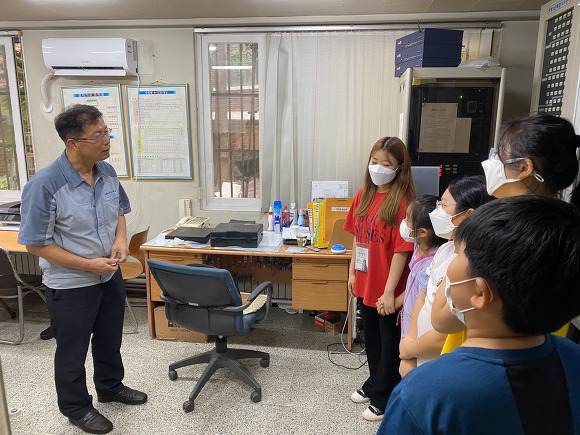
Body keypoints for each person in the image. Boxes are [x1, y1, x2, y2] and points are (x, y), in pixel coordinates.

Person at [379, 196, 580, 434]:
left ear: (480, 293)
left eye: (458, 254)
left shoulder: (424, 392)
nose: (450, 263)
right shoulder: (573, 358)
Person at [18, 104, 147, 434]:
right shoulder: (45, 184)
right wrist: (88, 264)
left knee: (109, 338)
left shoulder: (107, 171)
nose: (106, 140)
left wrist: (121, 239)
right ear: (72, 143)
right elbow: (35, 244)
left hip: (109, 274)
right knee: (72, 350)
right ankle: (76, 407)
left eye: (106, 132)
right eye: (97, 135)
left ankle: (110, 386)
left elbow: (119, 211)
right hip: (71, 283)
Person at [431, 113, 580, 339]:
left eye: (499, 156)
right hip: (544, 347)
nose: (491, 162)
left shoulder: (497, 232)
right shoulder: (567, 228)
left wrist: (464, 245)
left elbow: (441, 319)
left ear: (524, 167)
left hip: (486, 350)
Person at [344, 136, 415, 421]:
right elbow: (356, 237)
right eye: (374, 161)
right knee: (370, 338)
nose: (378, 168)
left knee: (389, 343)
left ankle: (384, 396)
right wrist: (352, 272)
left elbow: (402, 250)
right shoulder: (364, 195)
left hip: (388, 286)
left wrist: (389, 292)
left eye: (386, 164)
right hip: (365, 279)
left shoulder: (403, 202)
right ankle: (374, 382)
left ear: (399, 168)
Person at [397, 176, 492, 372]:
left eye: (444, 204)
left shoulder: (473, 266)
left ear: (468, 215)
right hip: (418, 354)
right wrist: (410, 344)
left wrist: (409, 350)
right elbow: (422, 297)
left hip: (443, 364)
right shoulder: (444, 250)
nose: (437, 210)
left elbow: (443, 334)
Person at [397, 195, 446, 376]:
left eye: (408, 219)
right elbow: (413, 285)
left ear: (423, 232)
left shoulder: (434, 261)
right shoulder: (418, 248)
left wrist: (411, 353)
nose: (403, 222)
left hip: (421, 334)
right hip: (409, 325)